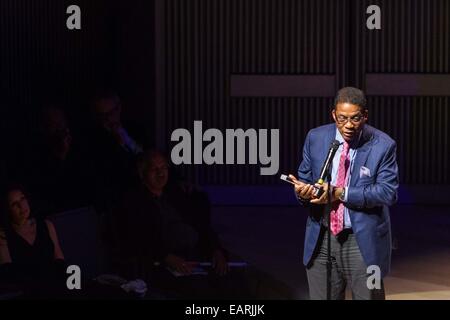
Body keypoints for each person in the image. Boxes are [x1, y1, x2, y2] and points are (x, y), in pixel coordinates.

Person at [288, 87, 399, 300]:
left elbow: (388, 192)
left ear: (365, 115)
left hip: (363, 242)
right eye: (342, 118)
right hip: (322, 238)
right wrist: (303, 191)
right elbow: (304, 177)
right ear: (333, 115)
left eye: (355, 118)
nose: (348, 125)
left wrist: (340, 193)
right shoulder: (316, 138)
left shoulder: (383, 145)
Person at [112, 150, 243, 299]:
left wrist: (216, 249)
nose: (160, 174)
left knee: (234, 281)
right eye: (154, 169)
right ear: (142, 174)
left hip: (196, 254)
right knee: (201, 289)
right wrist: (166, 257)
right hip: (165, 261)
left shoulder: (175, 195)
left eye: (163, 168)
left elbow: (201, 224)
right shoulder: (135, 202)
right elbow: (140, 238)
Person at [0, 185, 67, 297]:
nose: (22, 206)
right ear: (7, 209)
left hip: (55, 290)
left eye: (22, 198)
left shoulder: (46, 225)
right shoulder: (3, 235)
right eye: (14, 204)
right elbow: (8, 274)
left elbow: (59, 259)